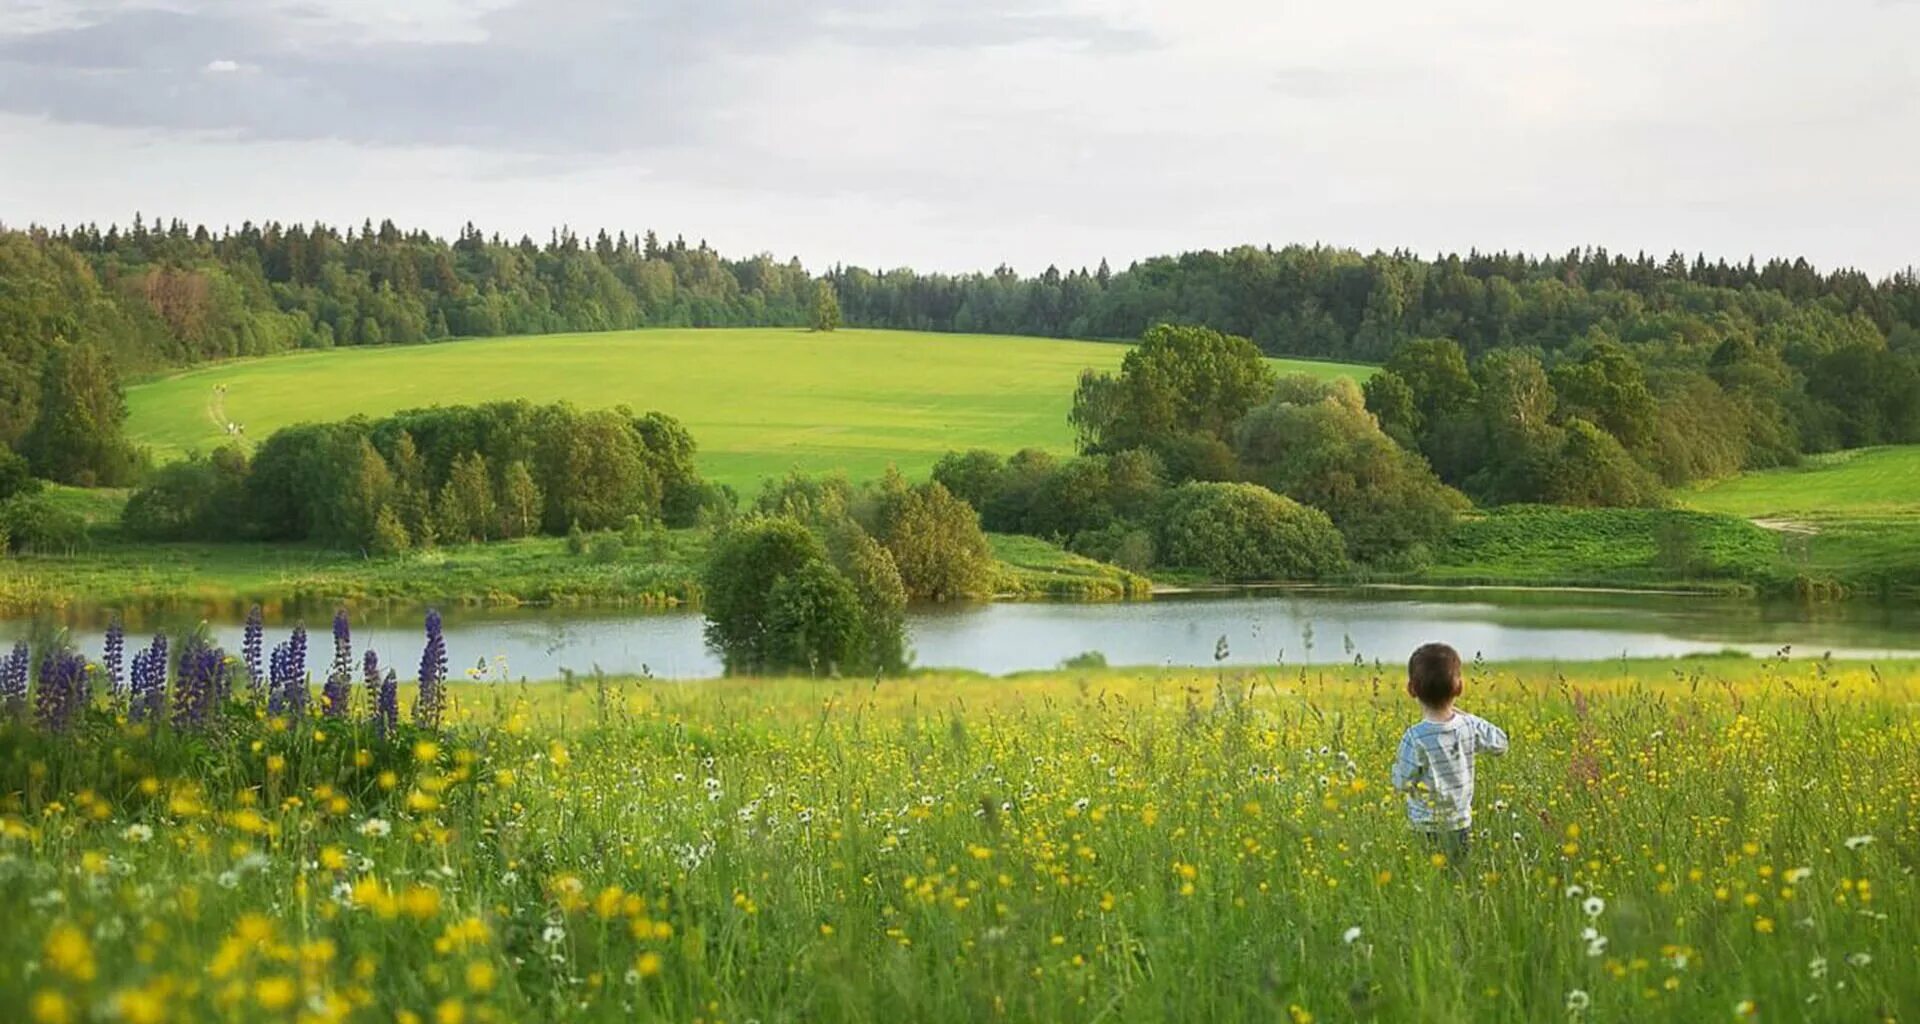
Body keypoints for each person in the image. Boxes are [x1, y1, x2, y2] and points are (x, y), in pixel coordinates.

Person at [1390, 642, 1507, 867]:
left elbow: (1402, 783)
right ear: (1460, 687)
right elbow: (1501, 743)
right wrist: (1469, 717)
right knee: (1458, 878)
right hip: (1460, 825)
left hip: (1424, 827)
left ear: (1411, 689)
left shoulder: (1415, 737)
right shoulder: (1469, 726)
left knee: (1429, 883)